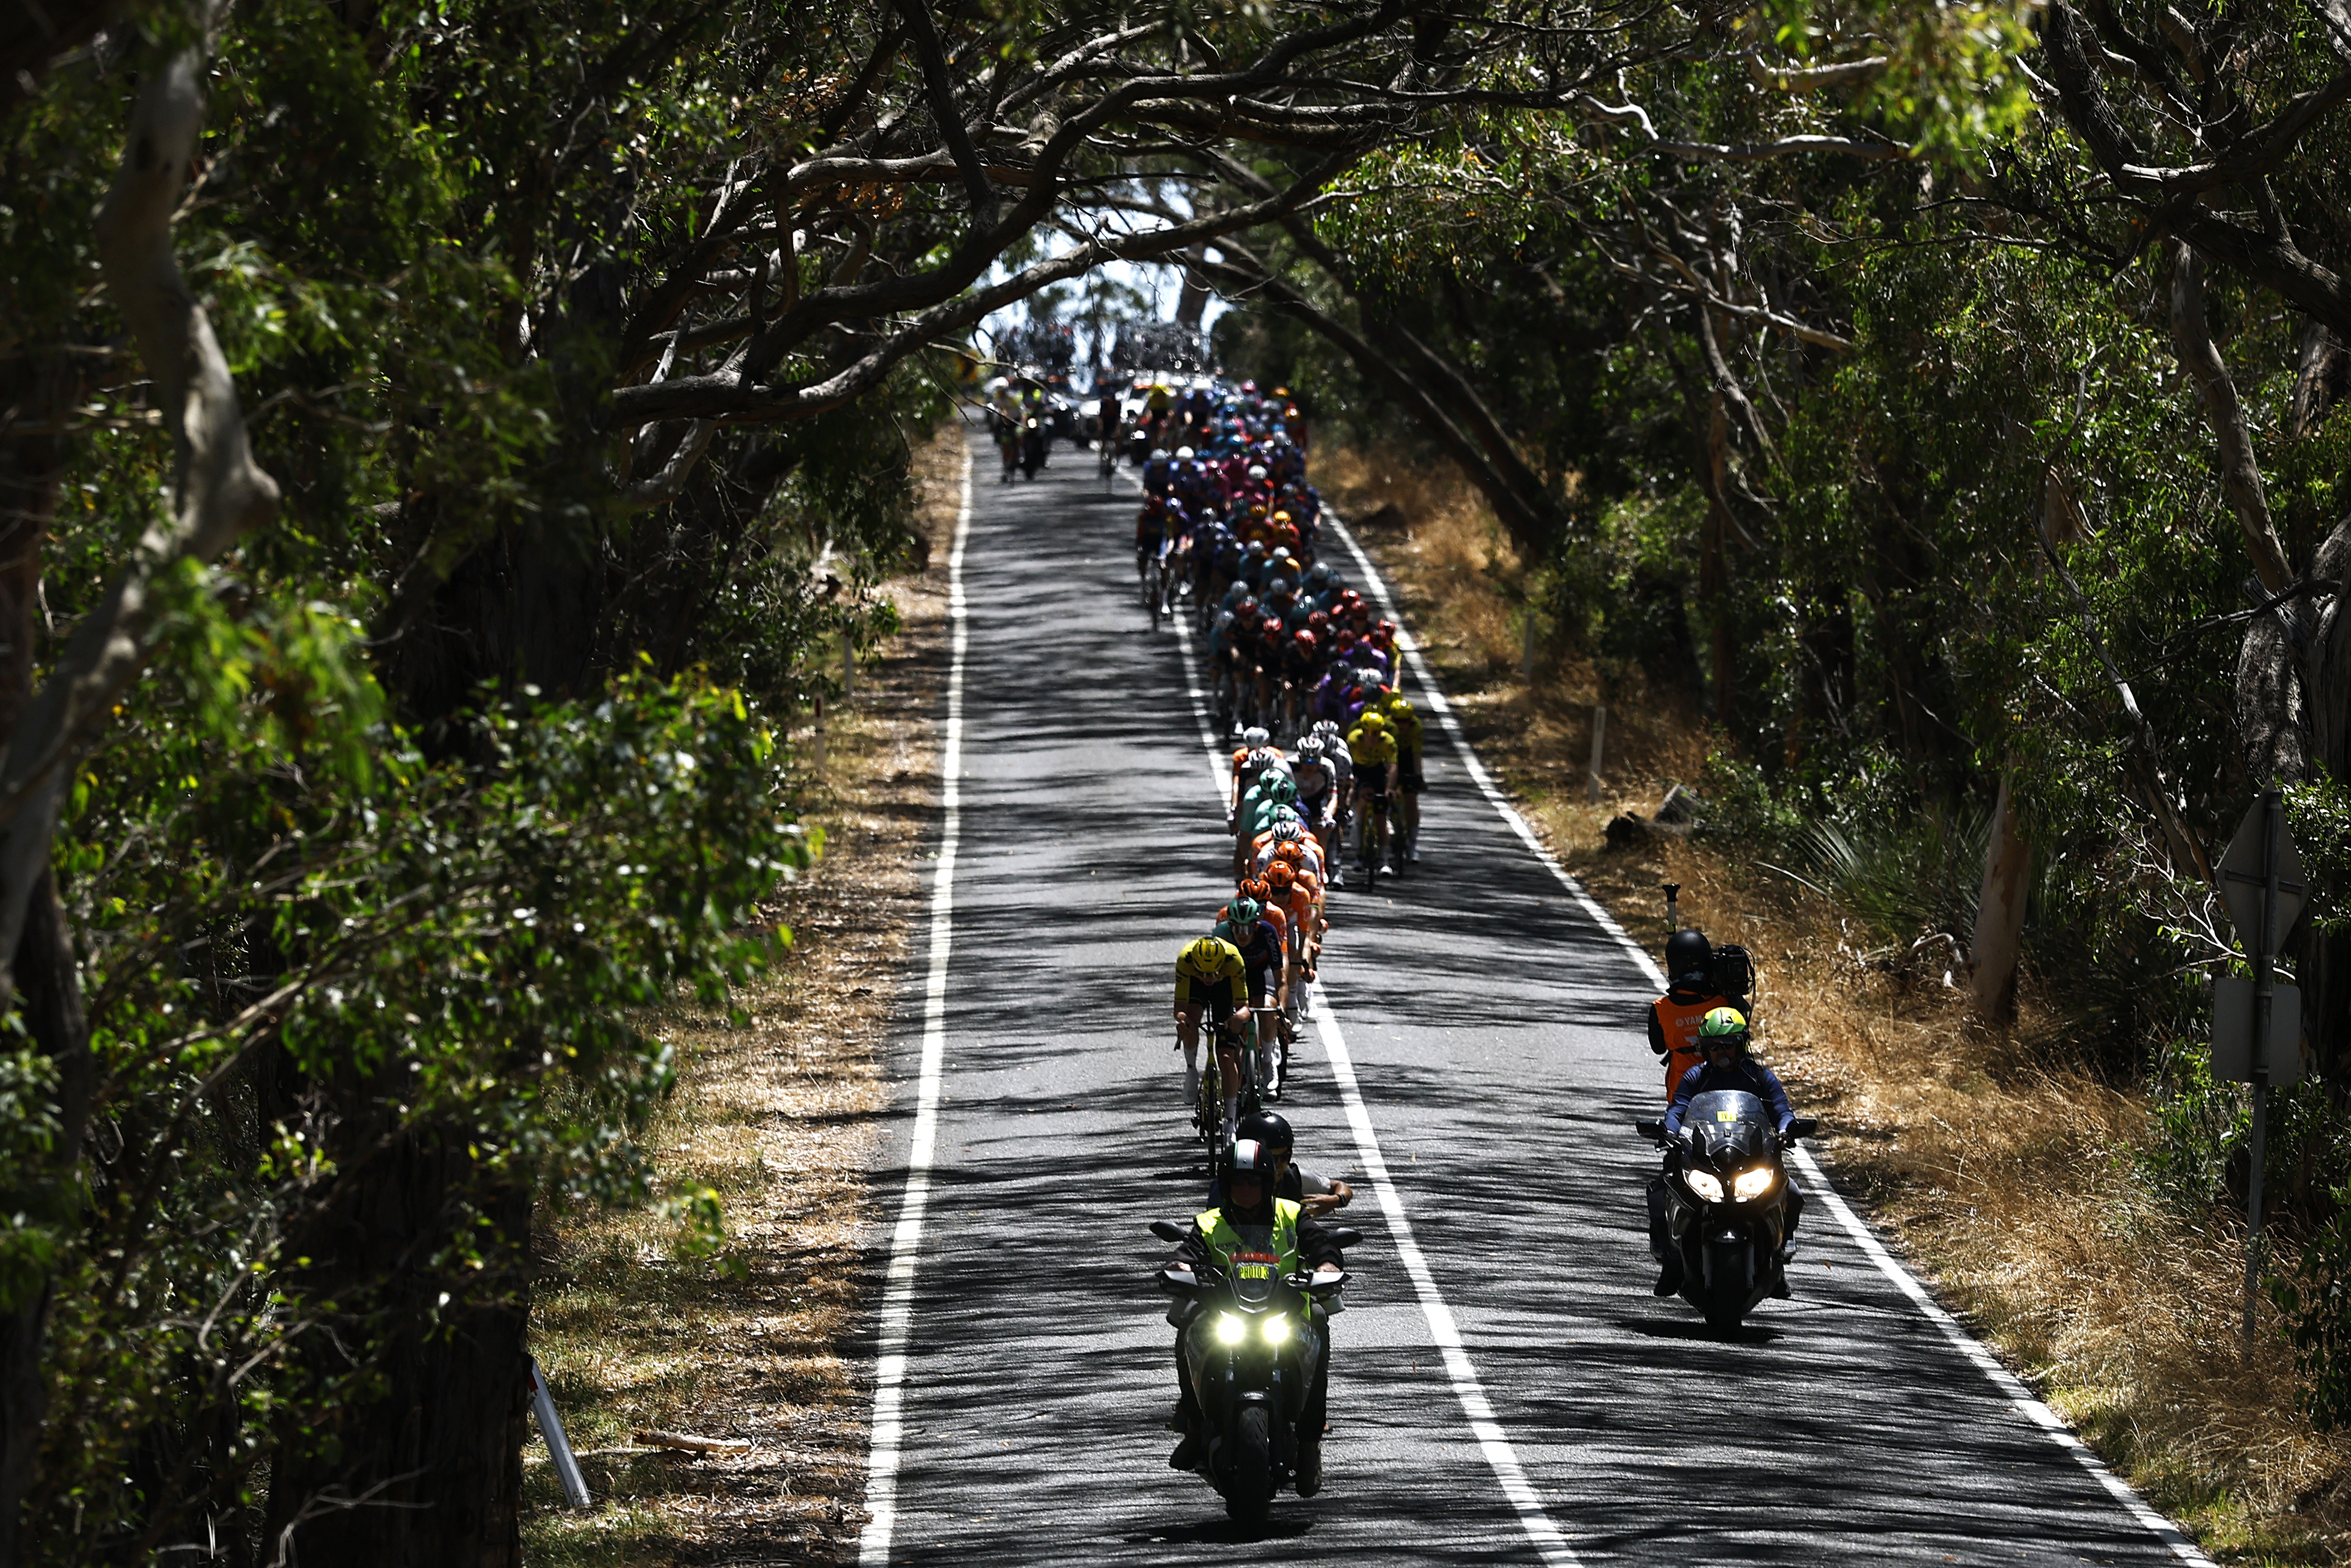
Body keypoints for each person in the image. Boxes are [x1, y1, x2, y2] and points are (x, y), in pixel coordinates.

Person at [1165, 1137, 1346, 1491]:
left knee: (1320, 1327)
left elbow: (1321, 1244)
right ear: (1226, 1183)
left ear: (1267, 1183)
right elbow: (1189, 1250)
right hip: (1225, 1312)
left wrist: (1326, 1265)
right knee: (1186, 1325)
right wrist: (1180, 1265)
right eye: (1238, 1180)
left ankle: (1309, 1443)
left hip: (1285, 1311)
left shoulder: (1291, 1215)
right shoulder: (1210, 1222)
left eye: (1253, 1181)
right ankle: (1195, 1424)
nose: (1246, 1188)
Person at [1648, 1007, 1806, 1296]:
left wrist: (1787, 1129)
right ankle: (1671, 1262)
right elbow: (1679, 1108)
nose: (1722, 1052)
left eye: (1728, 1045)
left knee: (1793, 1194)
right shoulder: (1696, 1076)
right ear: (1704, 1049)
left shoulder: (1760, 1077)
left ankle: (1779, 1258)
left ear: (1742, 1044)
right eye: (1714, 1046)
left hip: (1754, 1156)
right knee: (1660, 1191)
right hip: (1703, 1154)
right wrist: (1669, 1131)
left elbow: (1781, 1109)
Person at [1647, 929, 1735, 1103]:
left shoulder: (1661, 1008)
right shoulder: (1724, 1001)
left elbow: (1658, 1048)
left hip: (1682, 1095)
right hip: (1728, 1089)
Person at [1173, 935, 1248, 1114]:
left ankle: (1230, 1122)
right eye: (1203, 973)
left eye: (1213, 973)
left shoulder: (1234, 959)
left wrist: (1238, 1018)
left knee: (1226, 1057)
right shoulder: (1185, 960)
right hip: (1195, 987)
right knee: (1192, 1019)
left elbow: (1244, 1008)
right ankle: (1191, 1069)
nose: (1207, 978)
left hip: (1224, 988)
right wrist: (1183, 1020)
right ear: (1195, 965)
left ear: (1222, 965)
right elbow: (1179, 1009)